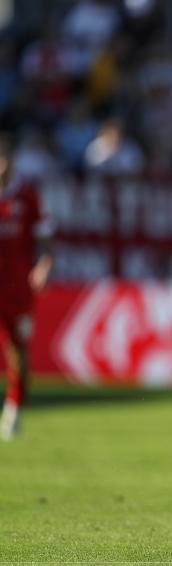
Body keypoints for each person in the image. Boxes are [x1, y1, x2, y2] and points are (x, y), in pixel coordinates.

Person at [0, 138, 53, 440]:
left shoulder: (27, 196)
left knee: (16, 349)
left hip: (18, 288)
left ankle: (15, 406)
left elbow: (46, 237)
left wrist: (44, 264)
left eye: (4, 159)